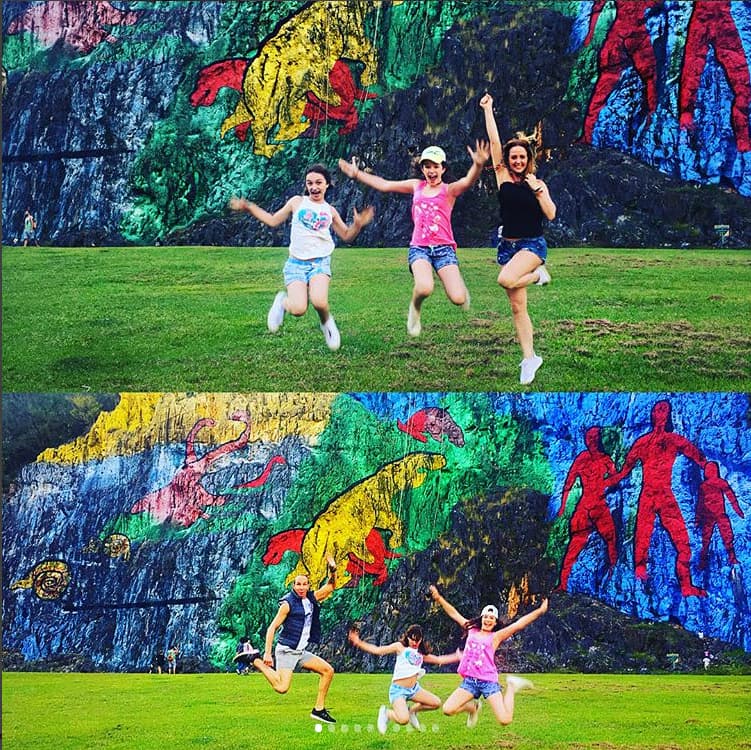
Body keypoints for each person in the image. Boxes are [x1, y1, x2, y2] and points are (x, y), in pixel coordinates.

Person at [338, 139, 490, 337]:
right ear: (422, 169)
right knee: (424, 287)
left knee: (458, 299)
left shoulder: (449, 190)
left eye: (435, 166)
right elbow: (385, 185)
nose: (431, 170)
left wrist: (478, 165)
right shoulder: (416, 186)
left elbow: (468, 181)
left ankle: (457, 282)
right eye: (427, 166)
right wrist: (357, 174)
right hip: (420, 248)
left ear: (443, 168)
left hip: (444, 249)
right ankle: (415, 309)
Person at [229, 165, 373, 351]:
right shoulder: (297, 202)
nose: (314, 187)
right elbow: (272, 220)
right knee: (298, 309)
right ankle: (282, 301)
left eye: (319, 183)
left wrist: (358, 225)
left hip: (320, 263)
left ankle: (327, 323)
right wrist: (249, 207)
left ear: (327, 184)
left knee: (319, 301)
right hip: (296, 264)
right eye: (309, 183)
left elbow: (346, 235)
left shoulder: (330, 211)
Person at [479, 93, 556, 385]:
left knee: (505, 279)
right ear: (509, 160)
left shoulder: (537, 183)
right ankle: (530, 358)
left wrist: (538, 191)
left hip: (531, 246)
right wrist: (488, 109)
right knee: (517, 307)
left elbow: (551, 214)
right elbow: (495, 142)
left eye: (522, 156)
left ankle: (538, 275)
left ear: (528, 159)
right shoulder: (502, 177)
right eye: (514, 157)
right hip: (507, 247)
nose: (518, 160)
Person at [608, 400, 707, 597]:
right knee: (642, 537)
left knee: (683, 544)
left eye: (664, 410)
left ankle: (686, 586)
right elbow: (624, 471)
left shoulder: (674, 440)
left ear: (668, 415)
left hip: (665, 495)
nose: (661, 413)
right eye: (658, 409)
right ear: (653, 414)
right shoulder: (642, 443)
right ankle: (640, 576)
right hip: (648, 496)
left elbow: (699, 457)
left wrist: (711, 474)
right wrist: (606, 482)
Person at [429, 584, 548, 728]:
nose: (488, 620)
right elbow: (454, 613)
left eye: (491, 618)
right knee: (448, 709)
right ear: (481, 618)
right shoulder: (471, 629)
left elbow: (518, 625)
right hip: (470, 682)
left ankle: (512, 686)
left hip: (488, 682)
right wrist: (438, 598)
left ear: (495, 622)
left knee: (505, 720)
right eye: (485, 617)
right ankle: (473, 708)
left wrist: (540, 611)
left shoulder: (496, 636)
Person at [247, 558, 339, 724]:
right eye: (298, 584)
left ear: (308, 586)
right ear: (293, 585)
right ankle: (255, 660)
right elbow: (272, 628)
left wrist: (333, 570)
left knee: (328, 671)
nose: (301, 587)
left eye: (304, 584)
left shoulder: (311, 599)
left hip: (300, 651)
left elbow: (331, 586)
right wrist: (267, 653)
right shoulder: (287, 604)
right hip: (287, 650)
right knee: (282, 688)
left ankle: (318, 710)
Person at [348, 622, 461, 734]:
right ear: (407, 637)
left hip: (414, 690)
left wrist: (457, 656)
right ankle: (386, 713)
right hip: (399, 691)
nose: (415, 643)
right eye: (413, 639)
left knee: (436, 703)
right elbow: (378, 650)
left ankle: (412, 711)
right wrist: (358, 642)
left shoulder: (421, 654)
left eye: (418, 640)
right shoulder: (400, 647)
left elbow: (439, 659)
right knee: (403, 720)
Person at [557, 426, 619, 591]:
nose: (592, 440)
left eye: (595, 437)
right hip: (585, 506)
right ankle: (563, 584)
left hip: (599, 505)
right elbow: (569, 482)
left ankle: (613, 576)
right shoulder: (582, 459)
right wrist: (563, 505)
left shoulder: (606, 460)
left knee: (611, 539)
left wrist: (605, 484)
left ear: (599, 439)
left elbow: (615, 479)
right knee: (575, 543)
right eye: (589, 437)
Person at [696, 461, 744, 570]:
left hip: (708, 516)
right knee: (727, 536)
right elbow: (731, 498)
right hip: (720, 514)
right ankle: (732, 558)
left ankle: (702, 562)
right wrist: (738, 511)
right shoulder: (721, 482)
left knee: (706, 539)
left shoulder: (703, 486)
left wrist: (698, 519)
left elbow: (699, 505)